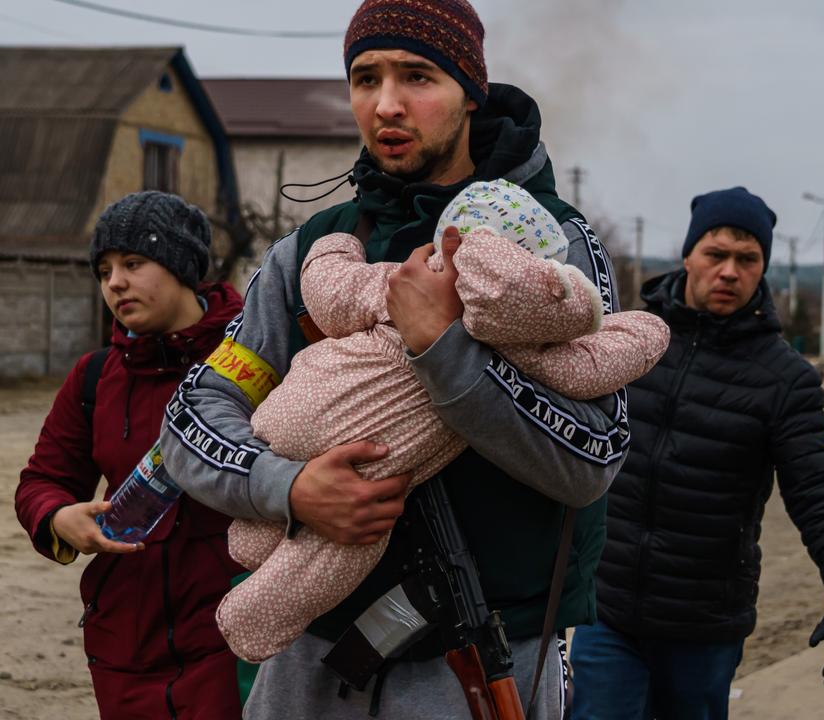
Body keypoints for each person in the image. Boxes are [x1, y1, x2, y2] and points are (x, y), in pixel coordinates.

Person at [157, 1, 629, 716]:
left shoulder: (553, 251)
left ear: (471, 90)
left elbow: (593, 458)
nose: (386, 104)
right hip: (309, 661)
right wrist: (289, 488)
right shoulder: (315, 249)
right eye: (364, 77)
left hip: (482, 661)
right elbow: (192, 419)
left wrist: (446, 352)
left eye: (417, 76)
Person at [217, 181, 668, 663]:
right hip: (371, 469)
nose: (389, 107)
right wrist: (644, 328)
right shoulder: (519, 344)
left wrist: (333, 246)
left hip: (291, 412)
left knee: (274, 535)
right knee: (339, 549)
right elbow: (587, 366)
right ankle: (249, 621)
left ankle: (252, 542)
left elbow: (333, 292)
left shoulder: (401, 278)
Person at [571, 187, 824, 720]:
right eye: (716, 255)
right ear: (688, 255)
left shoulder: (785, 380)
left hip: (704, 626)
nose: (730, 272)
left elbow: (818, 490)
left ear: (763, 267)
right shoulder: (630, 343)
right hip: (609, 609)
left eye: (747, 259)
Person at [13, 191, 245, 719]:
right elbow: (41, 481)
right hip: (124, 642)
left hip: (231, 639)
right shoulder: (94, 378)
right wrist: (58, 516)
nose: (114, 282)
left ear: (183, 266)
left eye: (134, 263)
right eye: (104, 269)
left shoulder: (251, 360)